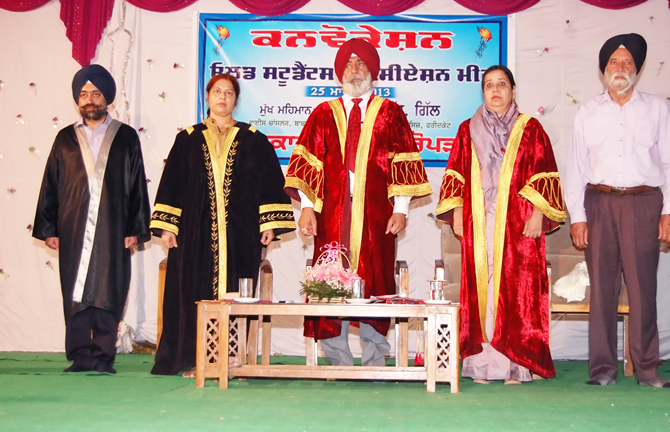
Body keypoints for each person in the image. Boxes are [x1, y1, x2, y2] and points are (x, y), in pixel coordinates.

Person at [285, 38, 432, 366]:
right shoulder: (323, 113)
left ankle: (374, 360)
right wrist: (307, 207)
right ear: (340, 72)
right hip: (331, 213)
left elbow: (403, 162)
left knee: (376, 278)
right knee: (330, 279)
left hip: (377, 213)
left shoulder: (390, 112)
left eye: (361, 63)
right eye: (349, 64)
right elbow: (308, 164)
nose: (354, 69)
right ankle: (338, 360)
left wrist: (401, 209)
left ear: (372, 71)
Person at [150, 73, 295, 376]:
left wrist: (268, 224)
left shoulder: (253, 139)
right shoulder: (187, 139)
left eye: (229, 93)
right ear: (208, 96)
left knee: (235, 294)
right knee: (193, 292)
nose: (223, 97)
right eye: (217, 91)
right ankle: (195, 359)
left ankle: (230, 358)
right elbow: (172, 185)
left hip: (240, 234)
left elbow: (269, 184)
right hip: (194, 234)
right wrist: (168, 227)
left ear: (235, 99)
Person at [564, 33, 670, 388]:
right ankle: (603, 369)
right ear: (604, 70)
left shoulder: (656, 109)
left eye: (628, 62)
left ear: (637, 69)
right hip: (599, 204)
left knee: (643, 289)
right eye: (614, 62)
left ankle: (647, 369)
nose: (621, 68)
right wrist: (578, 217)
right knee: (602, 290)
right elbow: (576, 170)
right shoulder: (588, 111)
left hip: (644, 204)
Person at [436, 65, 565, 384]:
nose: (495, 90)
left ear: (513, 89)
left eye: (502, 84)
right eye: (489, 85)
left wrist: (538, 214)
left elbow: (544, 171)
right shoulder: (467, 129)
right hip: (478, 219)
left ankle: (516, 365)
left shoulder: (530, 128)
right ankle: (482, 366)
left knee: (514, 291)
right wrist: (457, 211)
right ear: (483, 92)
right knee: (482, 289)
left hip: (518, 223)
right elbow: (456, 172)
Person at [33, 64, 151, 374]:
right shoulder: (64, 139)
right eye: (84, 94)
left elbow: (137, 184)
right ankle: (80, 356)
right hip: (73, 227)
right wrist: (49, 228)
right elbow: (51, 184)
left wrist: (136, 228)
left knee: (108, 290)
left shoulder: (126, 137)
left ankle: (102, 357)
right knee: (76, 291)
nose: (89, 100)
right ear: (77, 99)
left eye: (96, 94)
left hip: (114, 227)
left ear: (106, 98)